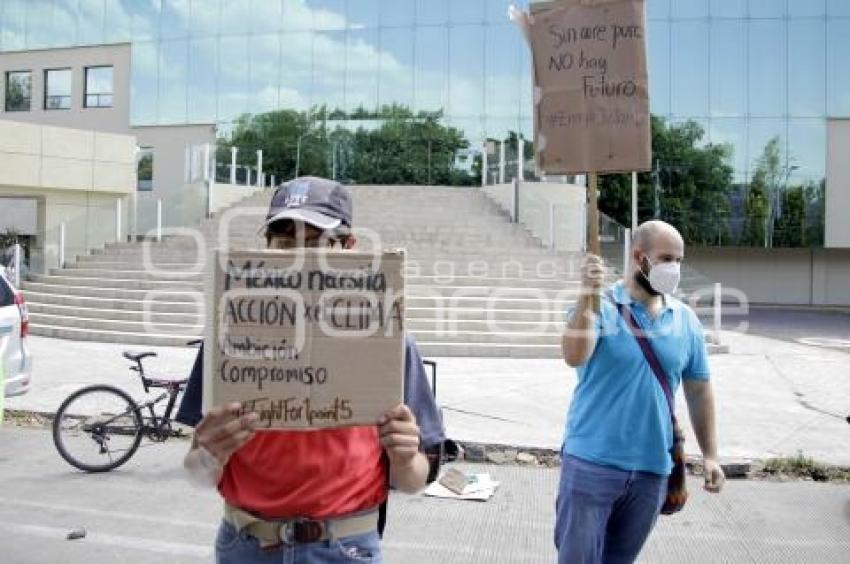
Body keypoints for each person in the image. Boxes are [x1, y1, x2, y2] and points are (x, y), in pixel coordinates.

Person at [176, 176, 445, 563]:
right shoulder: (229, 337)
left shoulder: (388, 341)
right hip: (246, 546)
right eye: (284, 243)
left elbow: (414, 480)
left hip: (344, 549)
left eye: (315, 242)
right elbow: (196, 475)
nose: (298, 260)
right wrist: (207, 454)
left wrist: (404, 459)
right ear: (268, 247)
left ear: (349, 247)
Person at [557, 220, 724, 564]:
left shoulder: (686, 319)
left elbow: (698, 389)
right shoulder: (598, 305)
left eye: (679, 260)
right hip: (592, 462)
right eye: (666, 258)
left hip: (653, 469)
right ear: (639, 257)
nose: (674, 268)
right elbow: (574, 356)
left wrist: (711, 455)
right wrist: (586, 295)